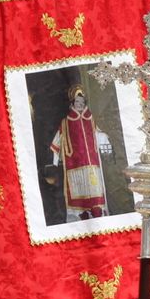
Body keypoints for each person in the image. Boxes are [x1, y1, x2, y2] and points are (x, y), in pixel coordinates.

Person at [52, 85, 110, 219]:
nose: (80, 104)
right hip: (75, 163)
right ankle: (80, 215)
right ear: (72, 103)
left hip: (92, 163)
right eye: (77, 102)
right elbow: (58, 139)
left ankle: (97, 212)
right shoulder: (65, 122)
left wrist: (106, 141)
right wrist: (55, 159)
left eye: (82, 102)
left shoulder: (90, 119)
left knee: (95, 189)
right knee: (79, 192)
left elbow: (98, 134)